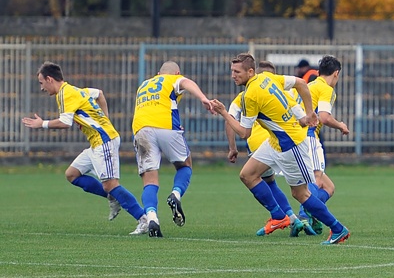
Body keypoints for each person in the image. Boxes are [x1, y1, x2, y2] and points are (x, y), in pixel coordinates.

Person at [210, 53, 351, 244]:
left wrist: (224, 113)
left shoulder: (250, 96)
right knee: (247, 174)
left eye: (237, 71)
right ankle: (279, 216)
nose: (233, 75)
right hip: (275, 141)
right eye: (232, 71)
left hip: (290, 144)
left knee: (300, 194)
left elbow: (245, 133)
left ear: (250, 71)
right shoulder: (266, 77)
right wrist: (308, 113)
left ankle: (337, 229)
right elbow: (301, 83)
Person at [22, 61, 148, 235]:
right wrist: (105, 119)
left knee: (111, 184)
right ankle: (113, 197)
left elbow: (65, 123)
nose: (42, 88)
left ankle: (144, 219)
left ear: (49, 79)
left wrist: (41, 124)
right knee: (72, 174)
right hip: (96, 142)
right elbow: (99, 94)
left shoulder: (65, 94)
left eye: (41, 83)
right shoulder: (75, 90)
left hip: (104, 141)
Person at [225, 60, 315, 237]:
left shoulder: (243, 97)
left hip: (265, 144)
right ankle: (296, 218)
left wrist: (232, 147)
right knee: (300, 184)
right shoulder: (280, 90)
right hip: (285, 139)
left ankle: (287, 217)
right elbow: (297, 112)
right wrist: (306, 121)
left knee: (265, 181)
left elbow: (230, 121)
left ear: (253, 73)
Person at [132, 61, 213, 237]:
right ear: (177, 73)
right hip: (166, 125)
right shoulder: (172, 80)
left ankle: (152, 217)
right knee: (185, 165)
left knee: (149, 180)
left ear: (157, 72)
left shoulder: (144, 84)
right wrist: (203, 98)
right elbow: (186, 83)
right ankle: (176, 194)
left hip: (141, 129)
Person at [296, 55, 350, 235]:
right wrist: (341, 125)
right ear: (336, 74)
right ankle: (304, 216)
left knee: (329, 188)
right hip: (308, 136)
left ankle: (310, 215)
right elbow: (325, 117)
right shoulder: (326, 89)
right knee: (316, 180)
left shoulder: (310, 85)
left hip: (296, 135)